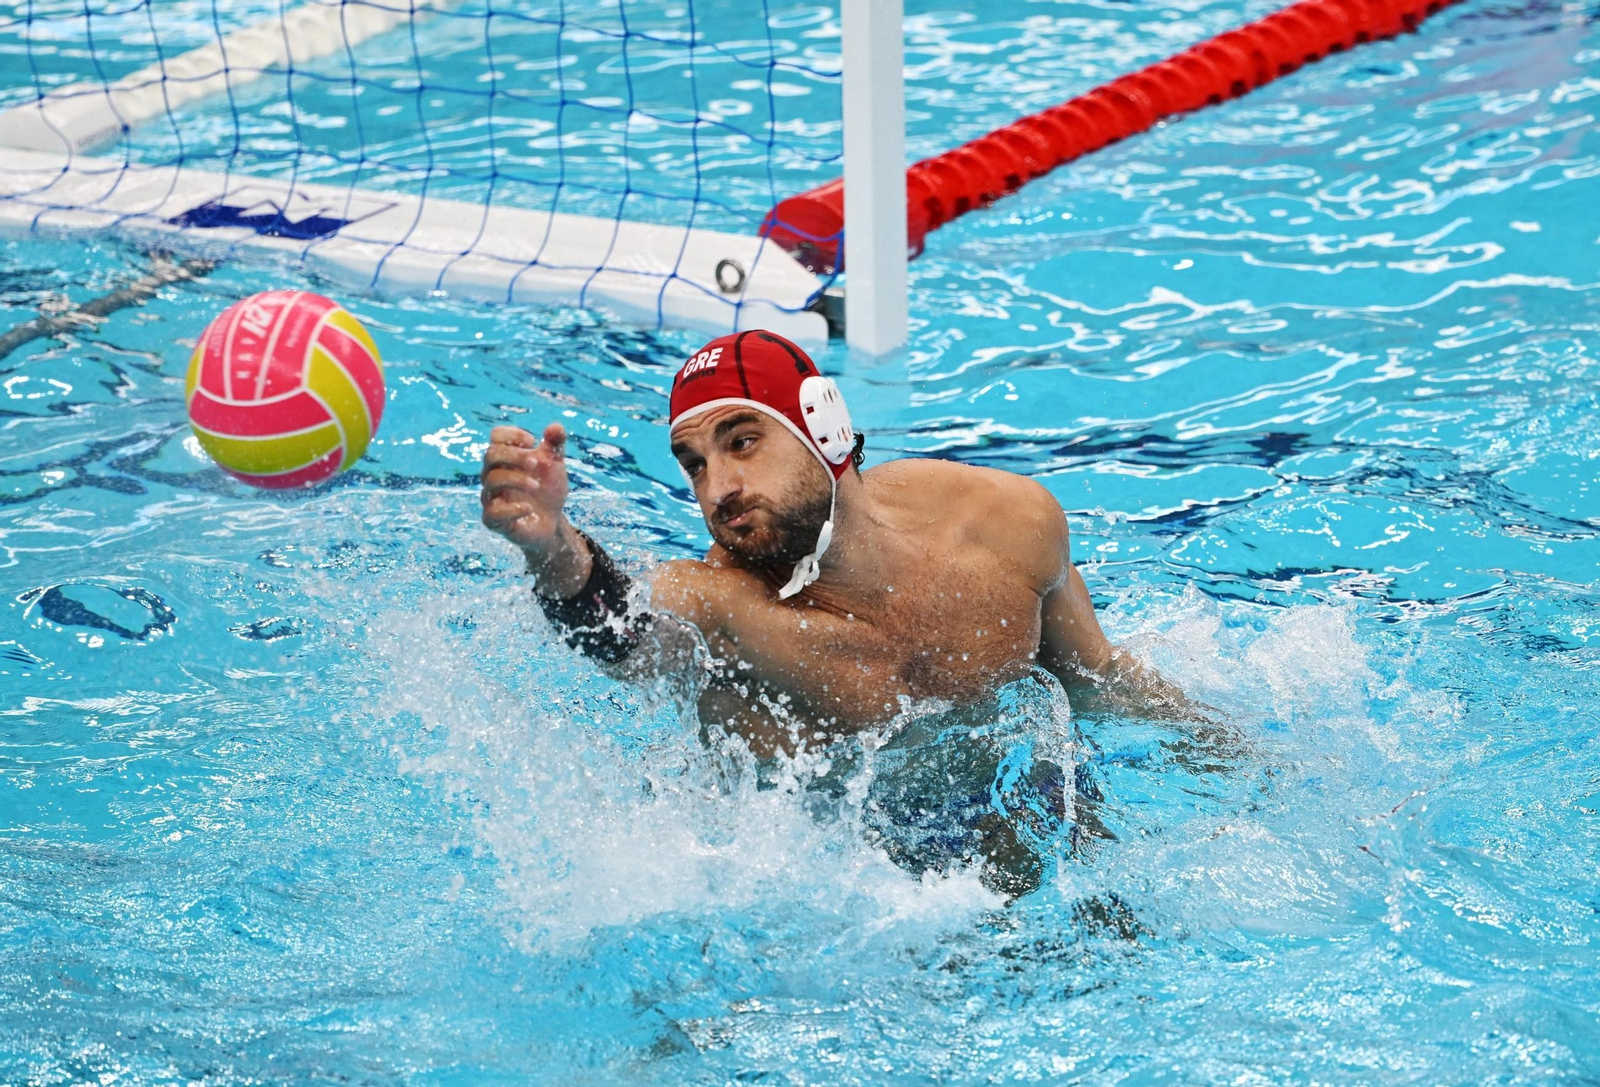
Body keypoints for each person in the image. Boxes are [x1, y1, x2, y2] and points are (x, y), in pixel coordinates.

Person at [480, 330, 1212, 893]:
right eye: (694, 462)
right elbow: (623, 632)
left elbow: (1096, 681)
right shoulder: (724, 608)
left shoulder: (1003, 527)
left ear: (822, 428)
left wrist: (1239, 759)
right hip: (846, 880)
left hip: (1020, 817)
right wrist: (553, 548)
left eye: (742, 441)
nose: (717, 489)